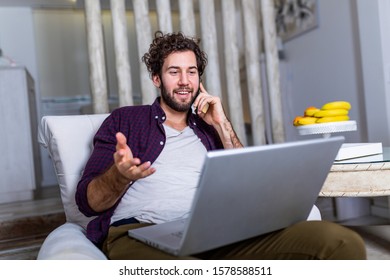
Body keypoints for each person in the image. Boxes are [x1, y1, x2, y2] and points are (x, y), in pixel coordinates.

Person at [76, 31, 366, 260]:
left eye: (192, 72)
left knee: (342, 243)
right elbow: (88, 203)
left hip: (217, 232)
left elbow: (254, 184)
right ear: (156, 78)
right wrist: (120, 174)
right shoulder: (126, 120)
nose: (184, 81)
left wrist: (222, 125)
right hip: (140, 233)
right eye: (173, 72)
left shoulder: (208, 127)